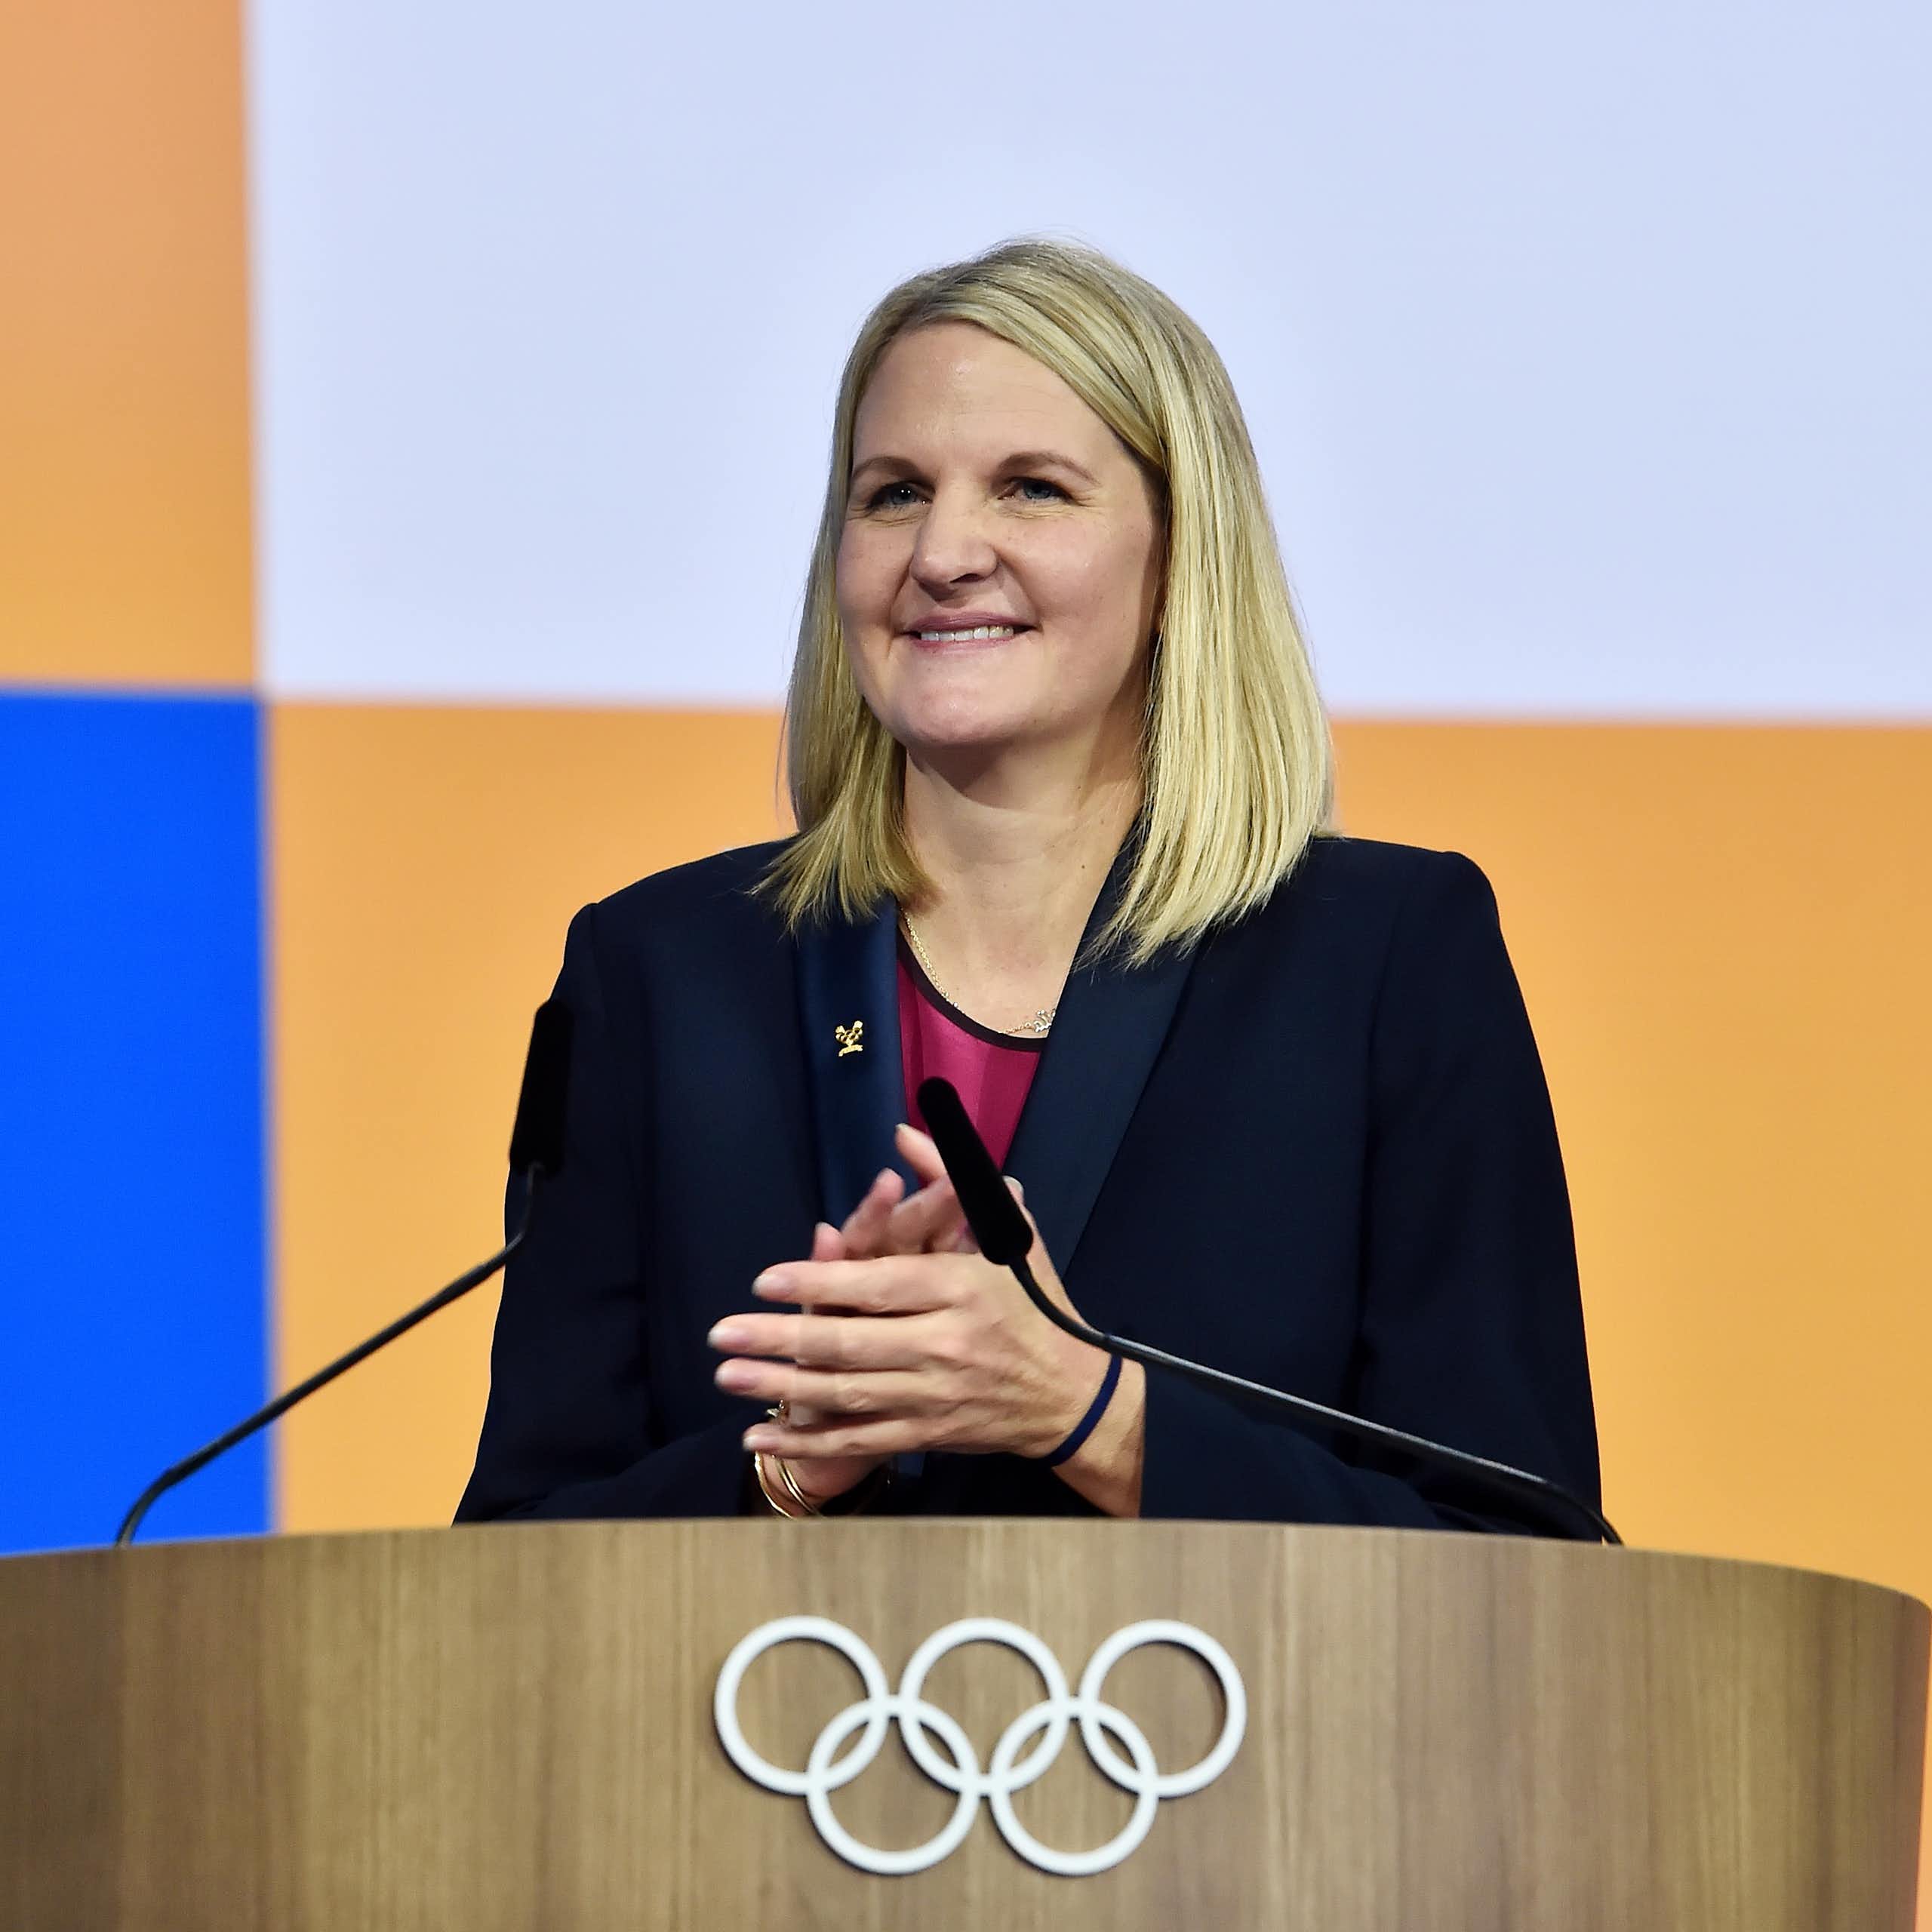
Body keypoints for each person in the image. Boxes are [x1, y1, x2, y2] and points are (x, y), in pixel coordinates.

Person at [456, 238, 1600, 1530]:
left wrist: (1085, 1413)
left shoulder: (1388, 962)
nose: (944, 551)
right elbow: (513, 1556)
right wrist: (790, 1467)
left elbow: (1527, 1554)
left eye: (1032, 490)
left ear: (1179, 561)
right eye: (891, 493)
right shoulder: (663, 974)